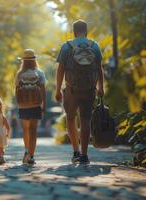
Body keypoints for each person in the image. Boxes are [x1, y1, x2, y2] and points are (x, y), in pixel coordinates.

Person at [55, 20, 104, 164]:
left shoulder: (67, 46)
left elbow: (60, 70)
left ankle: (76, 151)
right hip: (89, 89)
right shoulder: (94, 46)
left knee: (70, 119)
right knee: (85, 120)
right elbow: (99, 69)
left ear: (74, 31)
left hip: (71, 89)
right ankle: (84, 154)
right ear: (86, 31)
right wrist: (101, 87)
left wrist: (58, 89)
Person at [15, 49, 46, 165]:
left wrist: (20, 103)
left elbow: (16, 89)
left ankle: (26, 151)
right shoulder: (39, 73)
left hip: (23, 105)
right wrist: (44, 106)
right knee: (33, 130)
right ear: (34, 60)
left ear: (23, 61)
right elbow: (43, 89)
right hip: (36, 104)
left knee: (26, 129)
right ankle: (31, 156)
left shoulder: (19, 74)